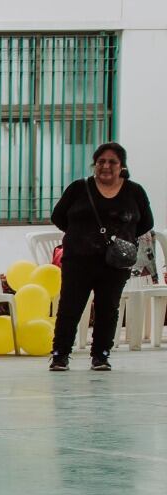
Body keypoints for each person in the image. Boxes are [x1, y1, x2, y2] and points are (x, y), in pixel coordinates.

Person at [49, 142, 155, 371]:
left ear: (122, 166)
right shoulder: (78, 188)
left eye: (112, 162)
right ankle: (60, 355)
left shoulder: (134, 191)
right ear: (94, 164)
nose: (106, 166)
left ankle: (101, 355)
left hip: (115, 262)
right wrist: (82, 236)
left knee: (108, 308)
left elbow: (146, 221)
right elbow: (58, 217)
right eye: (101, 162)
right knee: (70, 306)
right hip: (78, 259)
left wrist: (120, 240)